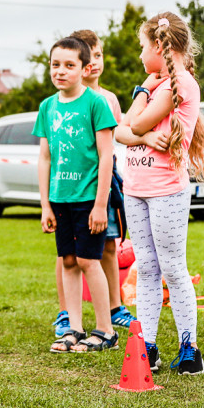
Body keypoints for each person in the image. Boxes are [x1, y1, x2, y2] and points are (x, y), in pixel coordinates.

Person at [114, 12, 204, 376]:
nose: (141, 56)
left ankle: (190, 350)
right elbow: (123, 132)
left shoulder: (181, 84)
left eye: (143, 47)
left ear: (160, 46)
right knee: (146, 268)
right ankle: (149, 346)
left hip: (166, 191)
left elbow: (134, 122)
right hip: (136, 189)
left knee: (173, 268)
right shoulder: (152, 86)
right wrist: (142, 101)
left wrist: (137, 117)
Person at [35, 36, 118, 354]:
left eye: (69, 65)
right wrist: (45, 205)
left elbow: (106, 156)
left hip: (89, 199)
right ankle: (73, 329)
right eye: (56, 64)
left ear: (85, 69)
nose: (61, 71)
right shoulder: (47, 107)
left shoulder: (96, 103)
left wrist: (100, 205)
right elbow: (45, 157)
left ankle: (105, 330)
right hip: (60, 198)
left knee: (88, 260)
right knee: (68, 261)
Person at [72, 29, 136, 331]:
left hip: (106, 183)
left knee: (110, 244)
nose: (93, 62)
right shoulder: (72, 98)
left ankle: (115, 307)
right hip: (76, 184)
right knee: (70, 252)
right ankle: (66, 313)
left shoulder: (109, 98)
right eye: (87, 56)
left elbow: (119, 139)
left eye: (97, 55)